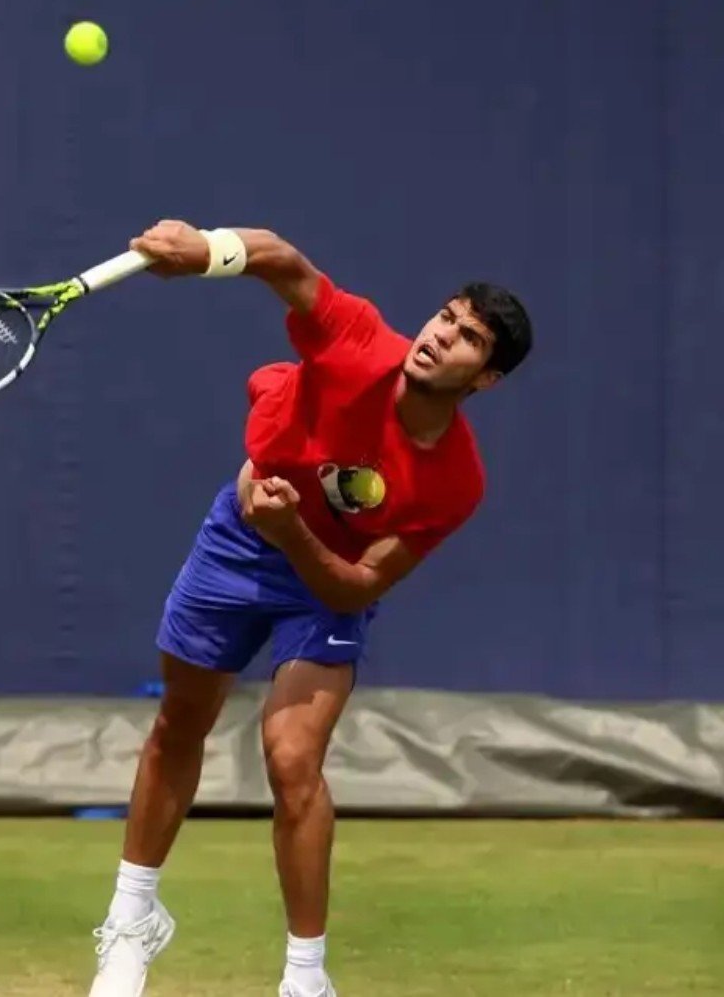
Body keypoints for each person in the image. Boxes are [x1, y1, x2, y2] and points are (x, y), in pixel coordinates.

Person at [86, 221, 532, 996]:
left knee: (293, 757)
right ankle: (133, 918)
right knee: (179, 723)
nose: (440, 336)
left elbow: (355, 586)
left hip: (316, 566)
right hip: (239, 536)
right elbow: (281, 259)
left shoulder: (456, 482)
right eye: (446, 318)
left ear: (484, 379)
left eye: (467, 339)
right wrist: (204, 250)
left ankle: (305, 978)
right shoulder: (360, 340)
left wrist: (291, 528)